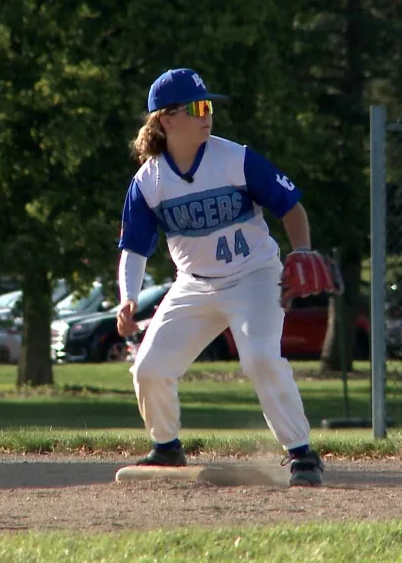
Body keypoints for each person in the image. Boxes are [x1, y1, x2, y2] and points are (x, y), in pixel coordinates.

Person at [115, 68, 342, 487]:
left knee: (259, 358)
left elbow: (290, 207)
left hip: (254, 276)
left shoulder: (234, 158)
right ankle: (167, 447)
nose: (208, 115)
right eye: (198, 107)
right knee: (149, 367)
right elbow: (134, 248)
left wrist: (303, 250)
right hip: (195, 284)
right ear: (167, 119)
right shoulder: (149, 181)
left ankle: (302, 453)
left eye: (210, 106)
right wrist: (128, 297)